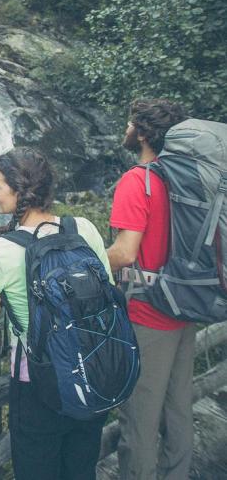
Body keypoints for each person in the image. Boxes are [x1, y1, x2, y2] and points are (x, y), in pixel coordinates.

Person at [0, 146, 113, 480]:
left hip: (37, 381)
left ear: (19, 192)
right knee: (80, 469)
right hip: (90, 370)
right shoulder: (82, 228)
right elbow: (108, 291)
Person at [107, 98, 194, 480]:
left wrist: (85, 262)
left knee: (139, 420)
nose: (125, 130)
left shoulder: (136, 180)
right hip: (184, 305)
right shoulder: (182, 176)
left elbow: (125, 254)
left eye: (129, 124)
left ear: (142, 133)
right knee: (177, 407)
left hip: (149, 314)